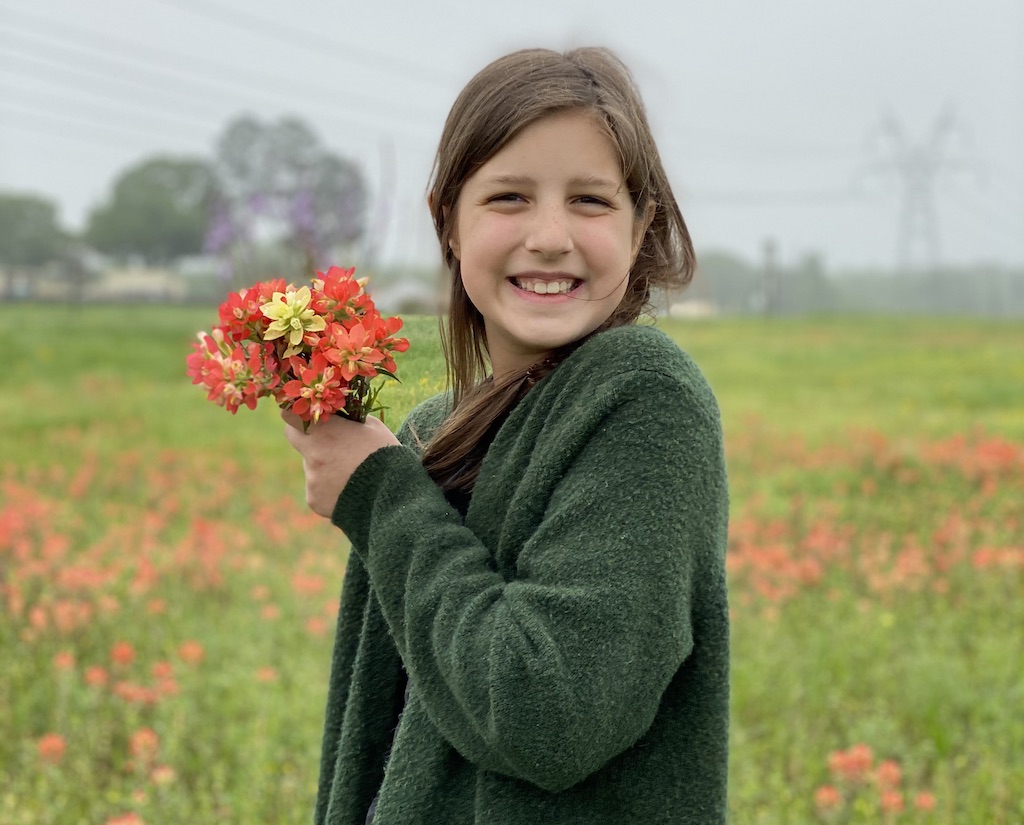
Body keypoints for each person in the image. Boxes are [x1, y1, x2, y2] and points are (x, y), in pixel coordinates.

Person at [283, 46, 730, 825]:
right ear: (448, 222)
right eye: (509, 198)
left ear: (640, 226)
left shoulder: (647, 395)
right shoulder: (430, 433)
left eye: (591, 200)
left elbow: (550, 716)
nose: (551, 236)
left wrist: (381, 494)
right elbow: (370, 739)